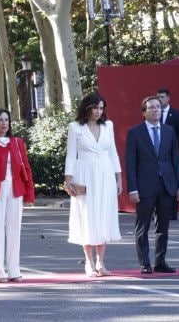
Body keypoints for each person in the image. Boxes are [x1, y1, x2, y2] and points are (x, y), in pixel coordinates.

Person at [63, 93, 122, 277]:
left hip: (105, 174)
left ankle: (101, 262)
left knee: (103, 215)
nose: (98, 111)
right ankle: (88, 262)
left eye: (101, 108)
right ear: (87, 108)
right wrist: (68, 180)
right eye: (95, 107)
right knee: (87, 216)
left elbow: (113, 153)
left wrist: (119, 178)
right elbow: (71, 155)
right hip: (85, 173)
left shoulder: (108, 125)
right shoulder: (75, 128)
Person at [126, 95, 179, 274]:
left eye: (158, 107)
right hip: (144, 187)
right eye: (151, 107)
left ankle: (160, 261)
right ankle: (145, 263)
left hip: (167, 185)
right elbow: (130, 163)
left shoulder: (168, 131)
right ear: (144, 112)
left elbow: (175, 160)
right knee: (142, 226)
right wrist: (133, 188)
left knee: (163, 226)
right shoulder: (135, 132)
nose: (155, 110)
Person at [0, 109, 35, 283]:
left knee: (14, 229)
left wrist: (29, 194)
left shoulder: (18, 143)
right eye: (0, 120)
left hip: (16, 190)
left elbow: (26, 168)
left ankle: (14, 270)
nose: (4, 123)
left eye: (7, 120)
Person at [157, 88, 179, 220]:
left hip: (173, 153)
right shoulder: (154, 114)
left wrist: (169, 144)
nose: (160, 99)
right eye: (158, 97)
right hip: (157, 155)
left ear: (168, 98)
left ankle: (172, 212)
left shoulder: (177, 114)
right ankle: (157, 211)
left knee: (172, 181)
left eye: (162, 97)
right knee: (158, 180)